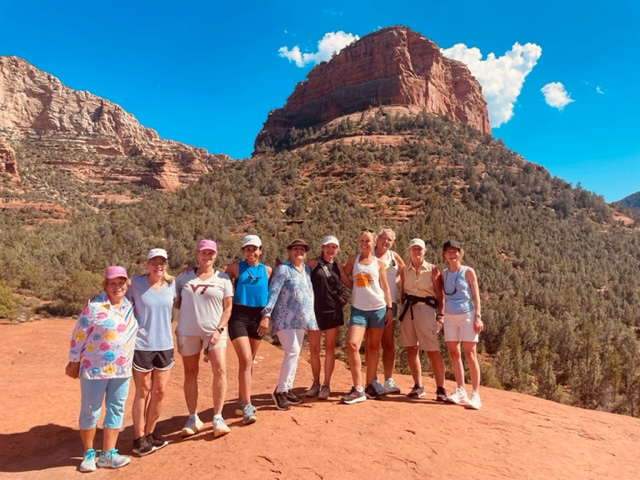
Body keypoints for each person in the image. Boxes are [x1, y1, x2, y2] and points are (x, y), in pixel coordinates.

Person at [66, 266, 138, 472]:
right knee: (90, 410)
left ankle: (108, 454)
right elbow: (78, 335)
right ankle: (89, 453)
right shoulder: (94, 307)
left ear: (127, 284)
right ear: (105, 285)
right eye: (112, 283)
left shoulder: (129, 305)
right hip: (94, 368)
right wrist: (74, 361)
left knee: (116, 409)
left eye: (121, 283)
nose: (117, 287)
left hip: (122, 369)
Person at [174, 239, 233, 437]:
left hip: (214, 332)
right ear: (197, 254)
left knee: (220, 370)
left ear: (215, 255)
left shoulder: (223, 279)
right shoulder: (183, 278)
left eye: (210, 253)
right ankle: (193, 417)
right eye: (203, 253)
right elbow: (175, 302)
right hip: (188, 331)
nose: (207, 256)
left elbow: (228, 307)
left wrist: (220, 329)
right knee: (190, 373)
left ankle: (217, 417)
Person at [126, 248, 175, 456]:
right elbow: (120, 300)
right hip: (142, 344)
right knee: (143, 390)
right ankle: (138, 439)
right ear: (147, 264)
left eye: (162, 262)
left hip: (165, 344)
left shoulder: (173, 285)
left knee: (160, 391)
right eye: (154, 262)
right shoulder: (136, 284)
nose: (158, 266)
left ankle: (150, 433)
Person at [261, 238, 318, 411]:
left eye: (302, 249)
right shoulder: (283, 270)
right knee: (292, 351)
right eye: (295, 249)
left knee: (295, 352)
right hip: (284, 318)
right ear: (289, 251)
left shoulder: (306, 270)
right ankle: (279, 391)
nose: (299, 251)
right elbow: (273, 292)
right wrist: (266, 314)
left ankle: (287, 389)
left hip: (300, 319)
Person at [341, 229, 394, 404]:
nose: (364, 244)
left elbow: (385, 287)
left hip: (378, 308)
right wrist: (352, 287)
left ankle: (370, 383)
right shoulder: (353, 260)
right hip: (359, 309)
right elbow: (343, 274)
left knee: (373, 347)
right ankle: (358, 388)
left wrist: (389, 308)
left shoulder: (379, 263)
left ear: (373, 243)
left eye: (368, 241)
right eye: (362, 240)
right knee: (353, 344)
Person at [225, 235, 272, 425]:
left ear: (260, 250)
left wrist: (266, 317)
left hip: (258, 318)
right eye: (247, 249)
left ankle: (241, 398)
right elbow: (216, 278)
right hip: (238, 316)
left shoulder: (267, 270)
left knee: (249, 361)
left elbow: (274, 293)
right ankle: (247, 406)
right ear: (243, 251)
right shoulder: (236, 267)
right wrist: (192, 271)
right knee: (245, 359)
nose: (251, 253)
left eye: (254, 249)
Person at [399, 238, 447, 401]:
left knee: (432, 349)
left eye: (419, 249)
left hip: (426, 310)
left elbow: (440, 295)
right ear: (409, 251)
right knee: (411, 348)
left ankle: (441, 388)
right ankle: (418, 386)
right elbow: (402, 293)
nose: (417, 252)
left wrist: (441, 316)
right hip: (408, 310)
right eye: (414, 249)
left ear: (424, 251)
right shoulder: (404, 270)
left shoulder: (433, 270)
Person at [305, 236, 352, 400]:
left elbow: (350, 284)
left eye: (334, 247)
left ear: (337, 249)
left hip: (333, 311)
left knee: (330, 349)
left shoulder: (338, 267)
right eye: (328, 247)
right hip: (314, 311)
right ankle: (316, 383)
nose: (330, 250)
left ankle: (326, 384)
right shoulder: (312, 264)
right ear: (322, 247)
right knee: (314, 349)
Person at [441, 240, 484, 410]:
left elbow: (476, 295)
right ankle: (460, 390)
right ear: (445, 255)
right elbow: (442, 297)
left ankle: (476, 394)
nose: (452, 255)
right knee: (453, 353)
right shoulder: (444, 274)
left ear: (460, 253)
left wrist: (478, 317)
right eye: (449, 252)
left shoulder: (468, 272)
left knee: (470, 353)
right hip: (450, 317)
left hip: (467, 315)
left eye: (455, 252)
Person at [371, 227, 405, 395]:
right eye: (383, 238)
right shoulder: (369, 255)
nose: (386, 242)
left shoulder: (393, 256)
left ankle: (389, 379)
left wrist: (394, 283)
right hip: (371, 303)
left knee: (388, 343)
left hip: (389, 303)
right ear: (378, 239)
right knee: (373, 343)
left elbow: (403, 271)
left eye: (389, 240)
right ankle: (373, 379)